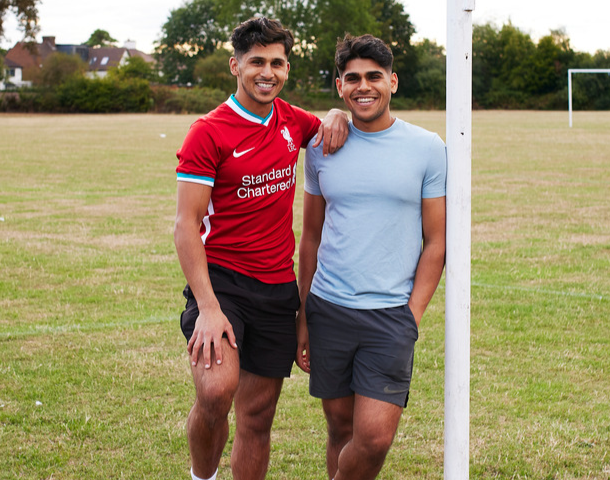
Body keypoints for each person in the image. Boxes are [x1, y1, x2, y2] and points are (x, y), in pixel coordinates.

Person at [173, 17, 349, 480]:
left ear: (287, 68)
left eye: (277, 62)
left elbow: (330, 128)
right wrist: (208, 309)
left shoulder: (294, 121)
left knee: (256, 417)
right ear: (235, 65)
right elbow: (186, 225)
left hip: (276, 289)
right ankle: (201, 476)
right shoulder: (208, 132)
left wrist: (337, 114)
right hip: (222, 285)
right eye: (256, 62)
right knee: (215, 392)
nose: (267, 72)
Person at [296, 33, 447, 480]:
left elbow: (436, 241)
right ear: (340, 86)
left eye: (374, 77)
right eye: (353, 78)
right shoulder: (321, 147)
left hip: (390, 316)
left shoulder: (427, 148)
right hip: (329, 309)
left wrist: (412, 315)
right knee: (339, 427)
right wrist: (303, 315)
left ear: (393, 82)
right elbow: (310, 237)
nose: (364, 86)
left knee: (375, 438)